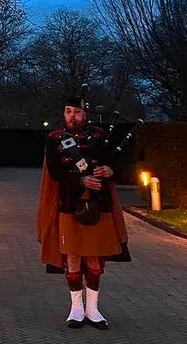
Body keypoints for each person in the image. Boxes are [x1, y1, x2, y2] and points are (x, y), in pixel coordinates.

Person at [37, 96, 131, 330]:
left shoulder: (99, 136)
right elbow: (56, 172)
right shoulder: (54, 140)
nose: (72, 116)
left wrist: (110, 170)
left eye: (76, 112)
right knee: (73, 256)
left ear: (85, 114)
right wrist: (81, 178)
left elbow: (117, 163)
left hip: (100, 206)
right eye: (68, 111)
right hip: (70, 204)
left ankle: (93, 309)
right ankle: (76, 309)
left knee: (95, 259)